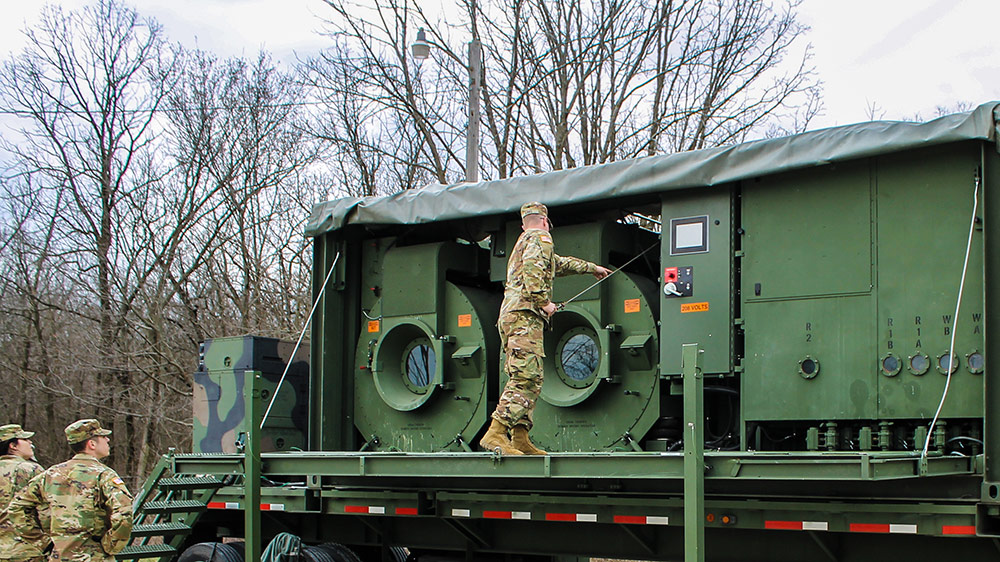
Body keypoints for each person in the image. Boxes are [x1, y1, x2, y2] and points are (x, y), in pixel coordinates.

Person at [480, 202, 610, 455]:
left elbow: (558, 264)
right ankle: (496, 433)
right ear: (545, 221)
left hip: (513, 316)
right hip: (524, 316)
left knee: (531, 376)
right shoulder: (541, 237)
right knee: (526, 376)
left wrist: (591, 268)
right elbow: (533, 270)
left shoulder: (524, 241)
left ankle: (519, 437)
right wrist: (544, 302)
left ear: (523, 223)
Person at [8, 419, 133, 562]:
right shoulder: (104, 475)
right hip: (94, 556)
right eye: (103, 437)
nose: (107, 439)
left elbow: (17, 508)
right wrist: (110, 545)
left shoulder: (50, 474)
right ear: (91, 444)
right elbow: (124, 512)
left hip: (58, 556)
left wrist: (44, 543)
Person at [0, 424, 48, 562]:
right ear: (13, 445)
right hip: (25, 550)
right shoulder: (30, 469)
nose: (30, 442)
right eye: (25, 439)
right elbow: (47, 508)